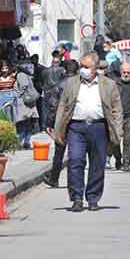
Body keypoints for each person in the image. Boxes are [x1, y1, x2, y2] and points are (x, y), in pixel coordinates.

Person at [53, 53, 123, 212]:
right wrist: (58, 130)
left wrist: (118, 131)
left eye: (86, 67)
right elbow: (63, 106)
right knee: (75, 160)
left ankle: (93, 198)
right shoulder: (71, 83)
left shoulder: (108, 84)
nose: (82, 70)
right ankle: (77, 198)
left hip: (99, 128)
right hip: (76, 128)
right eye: (81, 66)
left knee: (97, 164)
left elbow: (117, 109)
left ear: (96, 68)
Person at [44, 59, 79, 188]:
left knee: (59, 152)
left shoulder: (59, 85)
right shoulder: (81, 85)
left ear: (64, 70)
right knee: (76, 153)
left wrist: (49, 123)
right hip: (78, 122)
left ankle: (54, 178)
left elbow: (53, 106)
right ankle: (75, 181)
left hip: (61, 122)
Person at [14, 62, 40, 149]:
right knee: (28, 123)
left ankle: (22, 142)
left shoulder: (20, 75)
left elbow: (23, 86)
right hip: (29, 102)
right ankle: (26, 142)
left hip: (24, 103)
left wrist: (17, 94)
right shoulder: (27, 75)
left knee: (22, 123)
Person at [31, 54, 46, 131]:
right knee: (36, 108)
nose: (33, 61)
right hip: (34, 90)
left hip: (38, 90)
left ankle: (41, 127)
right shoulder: (33, 67)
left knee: (40, 109)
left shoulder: (41, 68)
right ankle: (38, 126)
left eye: (34, 59)